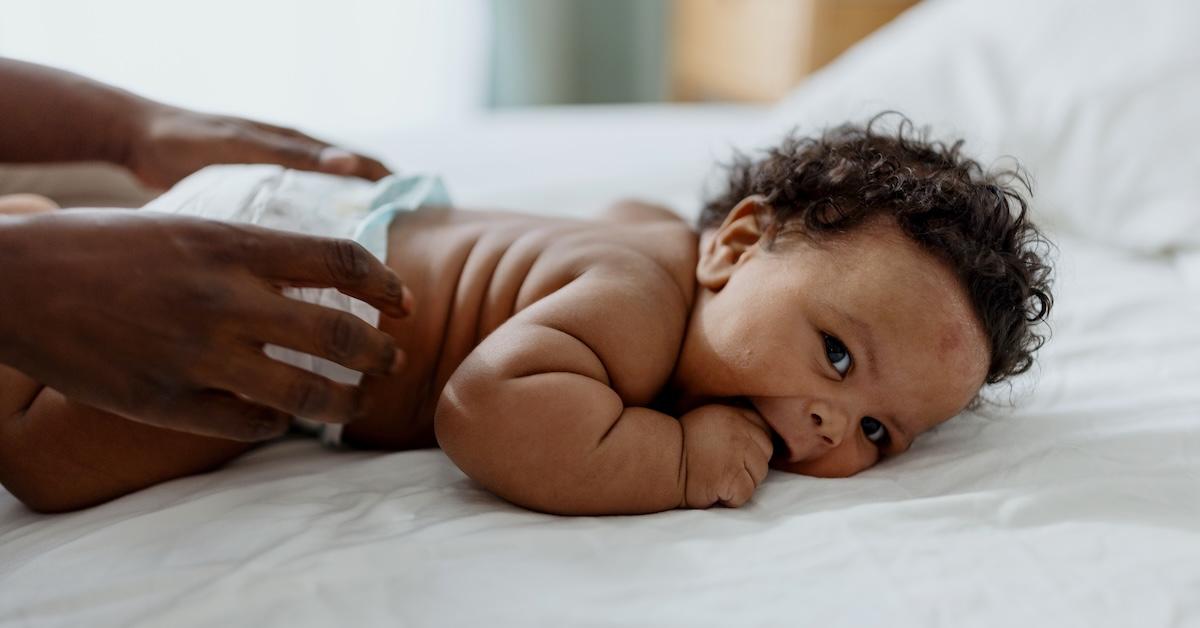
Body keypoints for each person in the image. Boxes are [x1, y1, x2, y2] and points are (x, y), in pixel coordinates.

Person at [0, 115, 1053, 515]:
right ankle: (30, 250)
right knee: (44, 458)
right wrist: (677, 464)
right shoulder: (637, 309)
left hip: (313, 225)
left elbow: (626, 215)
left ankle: (49, 228)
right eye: (835, 353)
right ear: (731, 247)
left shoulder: (654, 250)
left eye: (880, 430)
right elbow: (484, 407)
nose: (833, 423)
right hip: (293, 293)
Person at [0, 57, 411, 442]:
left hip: (304, 218)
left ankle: (24, 228)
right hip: (311, 239)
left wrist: (132, 130)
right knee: (36, 446)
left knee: (39, 436)